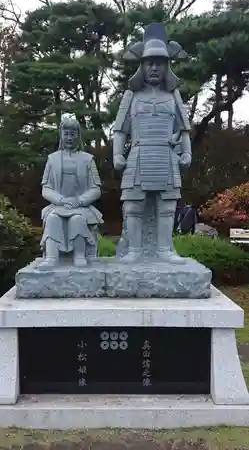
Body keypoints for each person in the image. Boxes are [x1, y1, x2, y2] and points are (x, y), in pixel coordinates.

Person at [113, 23, 192, 264]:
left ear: (167, 66)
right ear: (142, 66)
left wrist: (187, 153)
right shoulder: (131, 96)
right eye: (150, 62)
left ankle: (164, 250)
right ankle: (135, 250)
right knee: (133, 205)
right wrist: (117, 154)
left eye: (160, 62)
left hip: (166, 157)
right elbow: (120, 130)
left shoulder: (173, 96)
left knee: (167, 205)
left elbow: (184, 129)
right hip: (138, 156)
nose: (155, 67)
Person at [39, 117, 103, 269]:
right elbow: (45, 188)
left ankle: (79, 255)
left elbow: (96, 189)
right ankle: (52, 257)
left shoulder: (88, 160)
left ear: (78, 135)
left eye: (73, 134)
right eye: (66, 133)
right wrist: (60, 200)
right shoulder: (52, 159)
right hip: (58, 205)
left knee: (77, 219)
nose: (69, 137)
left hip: (81, 206)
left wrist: (80, 200)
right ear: (61, 135)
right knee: (53, 218)